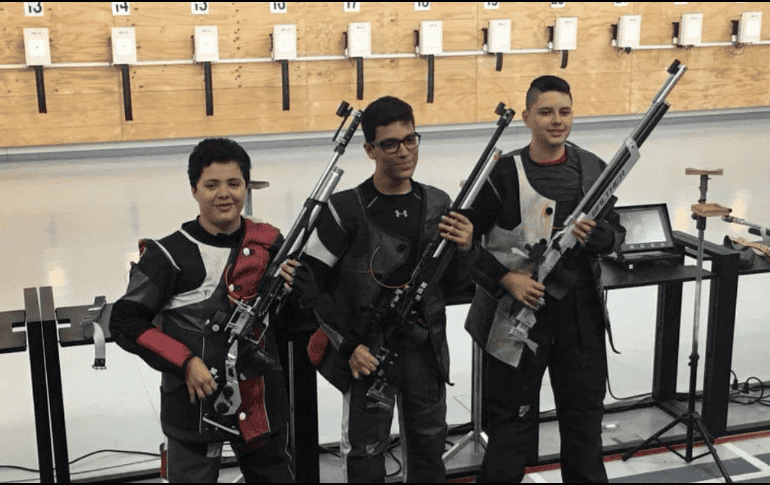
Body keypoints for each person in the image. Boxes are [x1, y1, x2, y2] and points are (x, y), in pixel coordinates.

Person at [109, 138, 312, 483]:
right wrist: (186, 362)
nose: (224, 194)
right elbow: (125, 321)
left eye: (234, 184)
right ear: (194, 190)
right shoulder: (168, 254)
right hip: (192, 407)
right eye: (212, 184)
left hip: (260, 401)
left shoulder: (270, 243)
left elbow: (289, 325)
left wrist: (302, 293)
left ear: (246, 187)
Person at [299, 95, 476, 482]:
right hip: (368, 353)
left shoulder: (438, 204)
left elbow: (457, 283)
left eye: (410, 139)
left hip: (425, 352)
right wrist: (347, 347)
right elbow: (308, 285)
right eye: (390, 144)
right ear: (369, 150)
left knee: (430, 448)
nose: (403, 152)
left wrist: (466, 246)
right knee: (364, 454)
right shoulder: (344, 209)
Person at [465, 75, 625, 483]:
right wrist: (506, 279)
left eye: (565, 112)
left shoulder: (592, 167)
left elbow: (615, 232)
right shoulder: (501, 174)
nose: (557, 121)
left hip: (580, 316)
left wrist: (600, 236)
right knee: (509, 431)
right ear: (527, 117)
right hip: (516, 318)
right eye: (547, 112)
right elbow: (462, 244)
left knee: (584, 425)